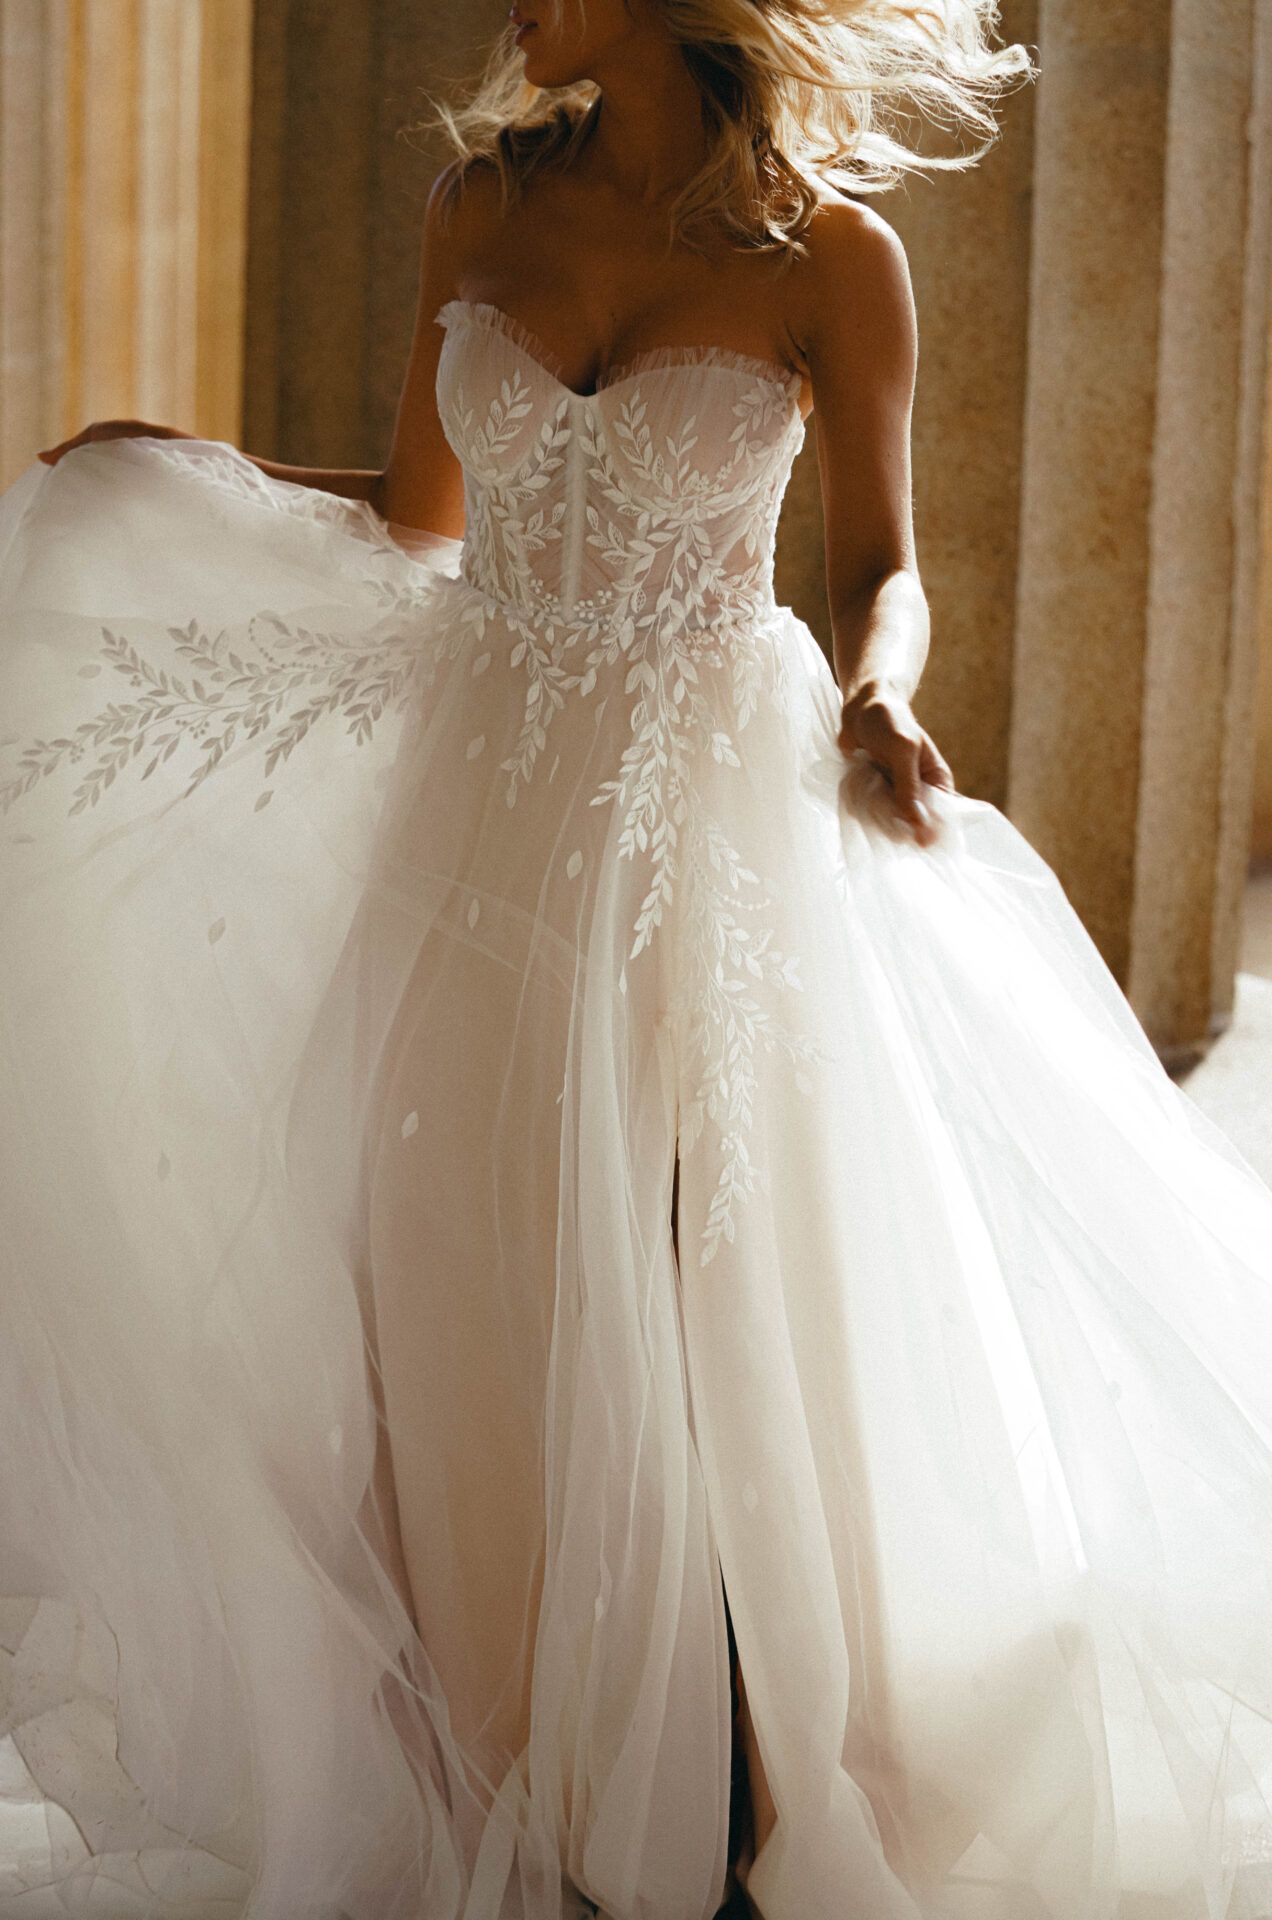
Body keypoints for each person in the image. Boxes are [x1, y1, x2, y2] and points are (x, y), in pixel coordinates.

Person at [4, 3, 1272, 1917]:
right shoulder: (474, 206)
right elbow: (426, 523)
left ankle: (735, 1779)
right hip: (480, 811)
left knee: (700, 1286)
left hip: (703, 818)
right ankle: (524, 1743)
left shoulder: (834, 254)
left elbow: (883, 567)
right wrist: (192, 474)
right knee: (453, 1266)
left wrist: (878, 695)